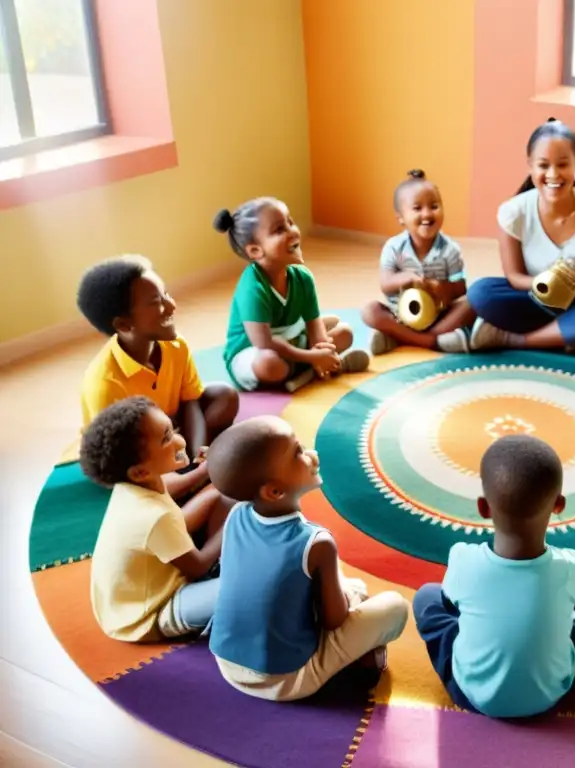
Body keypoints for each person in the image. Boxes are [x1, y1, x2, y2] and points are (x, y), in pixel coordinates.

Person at [206, 416, 409, 701]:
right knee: (395, 607)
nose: (311, 455)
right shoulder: (317, 542)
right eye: (297, 453)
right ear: (275, 491)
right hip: (284, 679)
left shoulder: (237, 514)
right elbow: (334, 621)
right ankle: (354, 664)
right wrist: (348, 600)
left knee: (348, 586)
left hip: (226, 663)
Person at [412, 435, 575, 718]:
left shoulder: (464, 560)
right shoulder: (571, 565)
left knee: (426, 595)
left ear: (483, 507)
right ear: (559, 505)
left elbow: (448, 601)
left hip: (473, 696)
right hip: (554, 694)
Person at [466, 119, 575, 357]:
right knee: (480, 293)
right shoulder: (514, 212)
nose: (553, 174)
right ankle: (572, 338)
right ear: (530, 167)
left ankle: (512, 339)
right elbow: (514, 277)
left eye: (563, 164)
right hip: (532, 299)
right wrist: (548, 281)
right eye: (543, 165)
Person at [78, 255, 238, 491]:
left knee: (225, 397)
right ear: (123, 325)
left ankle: (184, 466)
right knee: (136, 483)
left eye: (166, 295)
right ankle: (178, 476)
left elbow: (191, 401)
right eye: (156, 302)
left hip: (168, 425)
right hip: (134, 445)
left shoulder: (175, 345)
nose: (171, 306)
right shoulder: (105, 384)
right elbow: (117, 457)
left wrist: (195, 457)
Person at [81, 396, 229, 642]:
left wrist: (204, 471)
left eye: (173, 430)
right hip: (149, 613)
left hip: (147, 584)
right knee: (247, 589)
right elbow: (198, 565)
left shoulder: (132, 485)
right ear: (140, 472)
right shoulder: (153, 517)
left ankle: (224, 572)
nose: (180, 441)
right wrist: (233, 524)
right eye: (166, 439)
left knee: (221, 494)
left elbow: (175, 488)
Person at [214, 197, 370, 391]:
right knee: (270, 364)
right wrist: (314, 357)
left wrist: (323, 351)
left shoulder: (303, 278)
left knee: (344, 333)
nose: (292, 231)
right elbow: (266, 343)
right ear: (255, 250)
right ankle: (316, 368)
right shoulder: (252, 288)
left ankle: (312, 370)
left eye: (290, 222)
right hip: (255, 352)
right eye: (279, 230)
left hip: (290, 340)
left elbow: (315, 328)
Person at [362, 170, 477, 354]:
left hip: (439, 316)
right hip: (401, 316)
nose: (427, 214)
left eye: (434, 206)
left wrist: (442, 287)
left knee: (474, 302)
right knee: (370, 311)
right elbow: (385, 284)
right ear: (400, 217)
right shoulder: (394, 247)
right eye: (417, 208)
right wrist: (406, 277)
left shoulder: (450, 249)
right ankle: (432, 341)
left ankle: (400, 338)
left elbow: (460, 287)